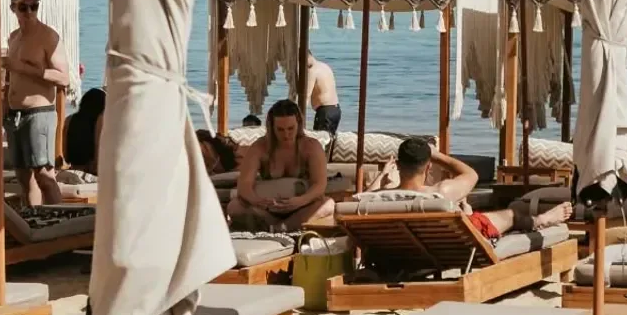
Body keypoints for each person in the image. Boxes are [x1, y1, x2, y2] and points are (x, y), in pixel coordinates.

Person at [381, 136, 572, 239]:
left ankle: (467, 211)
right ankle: (541, 220)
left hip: (403, 248)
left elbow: (365, 195)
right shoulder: (440, 193)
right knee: (511, 215)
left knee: (468, 213)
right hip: (451, 240)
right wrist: (438, 155)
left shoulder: (377, 199)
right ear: (429, 166)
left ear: (397, 165)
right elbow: (471, 174)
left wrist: (381, 178)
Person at [3, 0, 69, 206]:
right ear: (13, 8)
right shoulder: (14, 38)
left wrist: (23, 67)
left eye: (34, 6)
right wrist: (4, 105)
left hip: (39, 113)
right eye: (24, 7)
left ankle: (58, 222)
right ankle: (33, 220)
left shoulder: (48, 37)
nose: (29, 12)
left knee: (44, 175)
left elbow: (64, 78)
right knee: (24, 177)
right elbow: (11, 76)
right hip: (15, 114)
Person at [227, 99, 335, 231]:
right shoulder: (259, 147)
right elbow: (244, 186)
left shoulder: (311, 147)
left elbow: (320, 184)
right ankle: (280, 226)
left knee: (328, 205)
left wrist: (300, 201)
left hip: (301, 207)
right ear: (272, 127)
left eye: (290, 128)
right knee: (234, 206)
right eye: (280, 130)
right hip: (267, 209)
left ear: (299, 124)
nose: (286, 135)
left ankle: (279, 227)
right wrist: (258, 201)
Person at [63, 88, 106, 176]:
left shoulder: (69, 119)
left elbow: (64, 149)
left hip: (74, 165)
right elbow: (98, 146)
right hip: (92, 167)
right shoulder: (100, 121)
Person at [307, 54, 341, 136]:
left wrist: (299, 116)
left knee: (320, 140)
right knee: (329, 138)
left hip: (325, 112)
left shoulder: (312, 71)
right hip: (335, 110)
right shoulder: (324, 66)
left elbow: (306, 95)